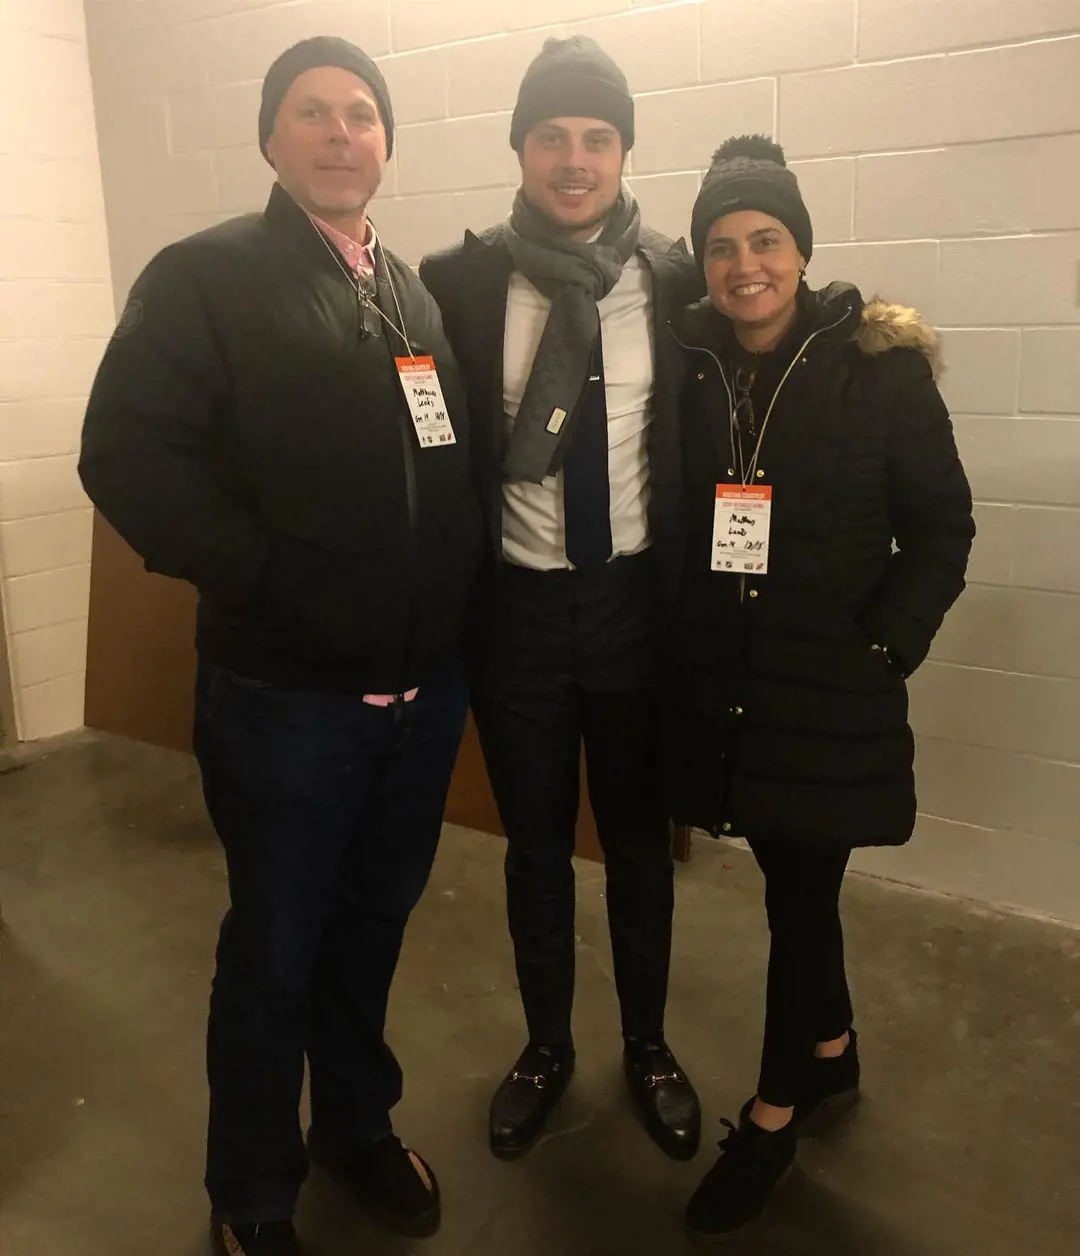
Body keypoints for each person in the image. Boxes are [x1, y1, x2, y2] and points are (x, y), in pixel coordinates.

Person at [80, 37, 481, 1256]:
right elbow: (126, 453)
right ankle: (252, 1187)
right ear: (271, 138)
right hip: (287, 700)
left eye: (363, 115)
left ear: (387, 144)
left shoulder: (407, 291)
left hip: (418, 699)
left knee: (369, 931)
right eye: (313, 113)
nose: (342, 133)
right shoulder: (207, 276)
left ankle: (355, 1125)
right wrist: (265, 575)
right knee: (275, 947)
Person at [665, 135, 975, 1239]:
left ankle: (776, 1110)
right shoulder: (696, 360)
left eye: (766, 240)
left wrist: (884, 646)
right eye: (721, 246)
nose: (745, 265)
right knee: (795, 885)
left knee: (798, 898)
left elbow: (942, 527)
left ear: (800, 248)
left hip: (829, 685)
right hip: (739, 687)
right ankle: (833, 1053)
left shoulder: (873, 364)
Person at [420, 36, 702, 1163]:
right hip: (518, 620)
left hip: (638, 608)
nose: (574, 160)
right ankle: (546, 1044)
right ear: (521, 149)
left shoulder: (678, 281)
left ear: (624, 149)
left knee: (637, 845)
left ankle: (648, 1042)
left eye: (596, 137)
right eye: (553, 137)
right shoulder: (460, 281)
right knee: (534, 847)